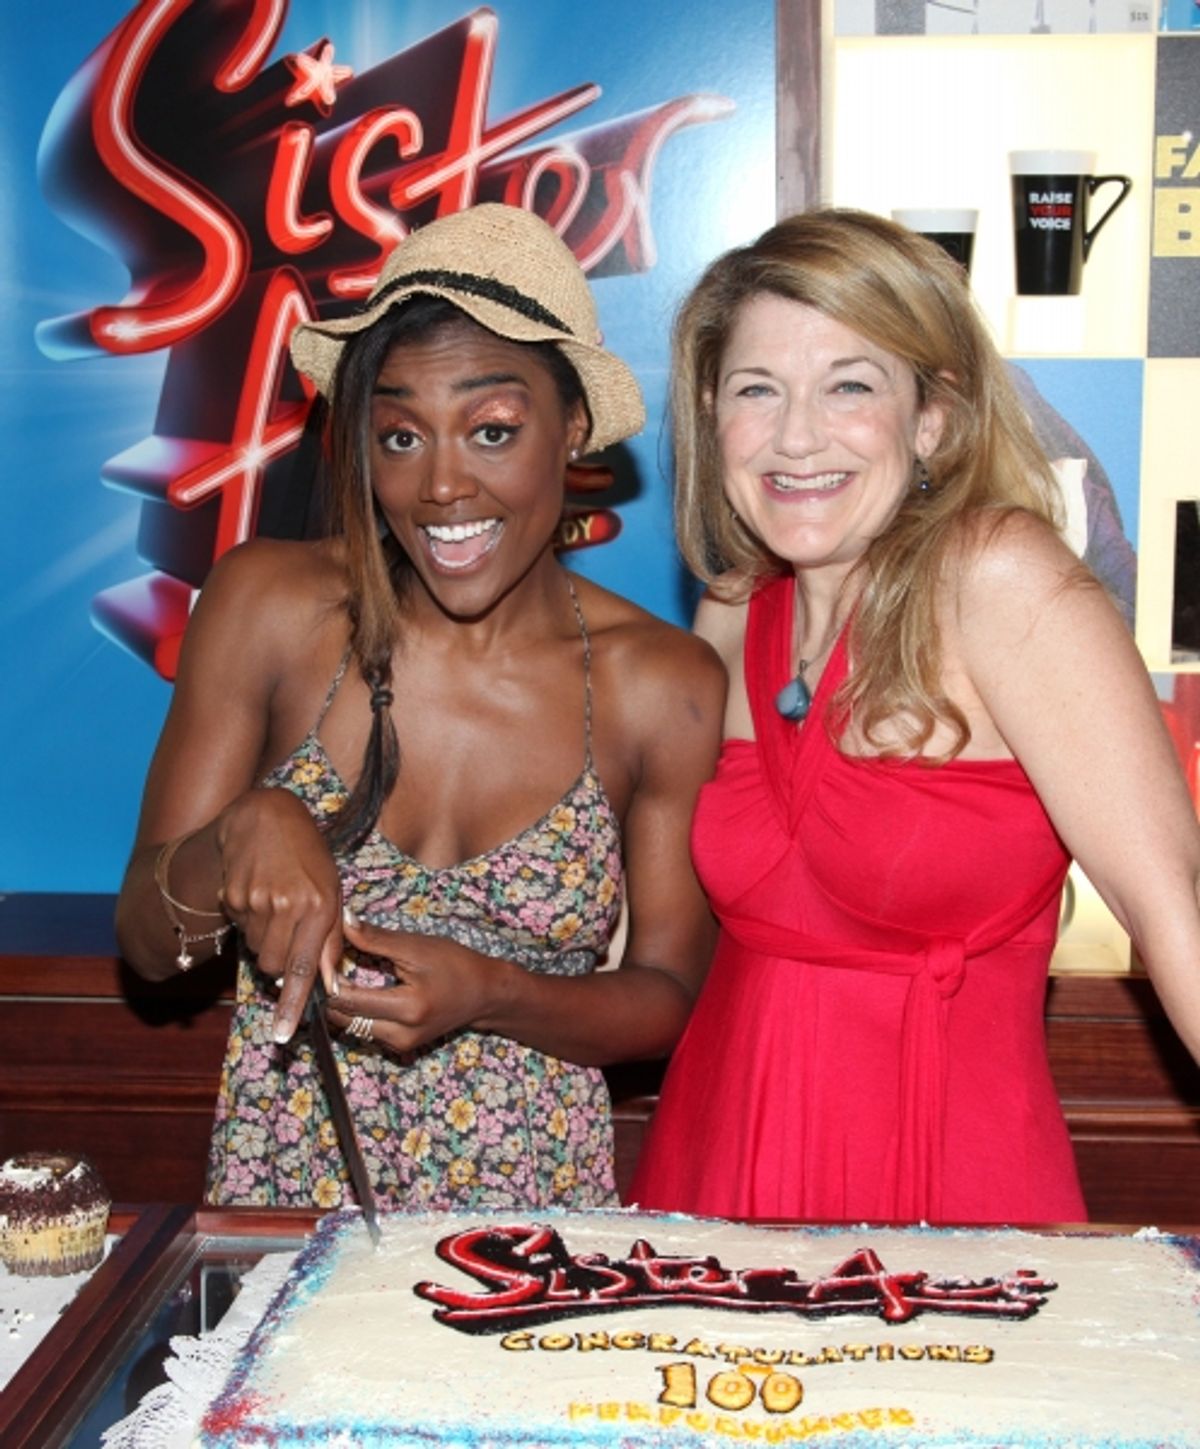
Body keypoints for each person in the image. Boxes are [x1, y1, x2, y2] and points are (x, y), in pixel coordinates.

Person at [115, 204, 724, 1211]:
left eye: (492, 430)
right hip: (289, 1207)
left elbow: (666, 998)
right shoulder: (269, 606)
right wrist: (243, 835)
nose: (440, 484)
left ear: (572, 427)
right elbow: (146, 943)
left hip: (529, 1223)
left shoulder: (660, 683)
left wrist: (488, 992)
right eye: (400, 434)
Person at [630, 207, 1200, 1225]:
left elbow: (1177, 913)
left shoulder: (1001, 580)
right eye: (758, 391)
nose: (796, 435)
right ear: (714, 416)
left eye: (850, 386)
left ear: (930, 420)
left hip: (947, 1190)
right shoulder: (730, 609)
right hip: (711, 1178)